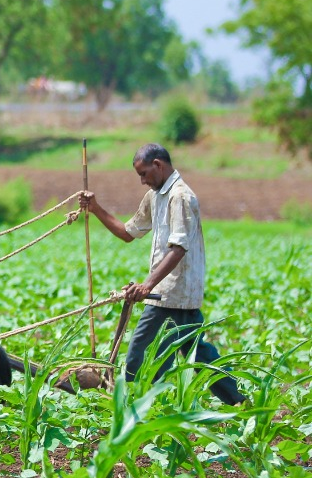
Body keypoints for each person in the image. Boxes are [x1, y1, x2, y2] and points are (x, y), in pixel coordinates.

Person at [80, 143, 245, 405]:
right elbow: (127, 233)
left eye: (144, 174)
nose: (142, 181)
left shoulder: (180, 196)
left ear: (158, 165)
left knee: (139, 356)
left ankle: (133, 409)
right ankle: (238, 401)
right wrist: (95, 208)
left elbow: (178, 249)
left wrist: (147, 285)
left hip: (171, 293)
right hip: (168, 293)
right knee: (197, 354)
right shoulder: (156, 196)